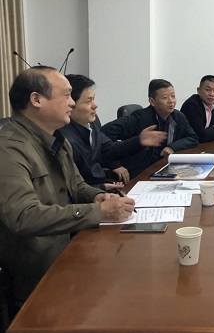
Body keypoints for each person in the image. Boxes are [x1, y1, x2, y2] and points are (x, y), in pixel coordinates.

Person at [0, 66, 134, 307]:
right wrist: (97, 212)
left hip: (71, 249)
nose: (72, 102)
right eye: (66, 95)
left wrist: (98, 197)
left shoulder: (57, 139)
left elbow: (78, 185)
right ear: (36, 100)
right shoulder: (9, 148)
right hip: (38, 272)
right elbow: (23, 216)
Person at [61, 74, 168, 190]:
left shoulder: (90, 126)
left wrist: (139, 141)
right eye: (88, 101)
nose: (95, 105)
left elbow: (110, 149)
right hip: (89, 195)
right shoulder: (64, 139)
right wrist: (101, 188)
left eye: (93, 99)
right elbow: (73, 186)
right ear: (70, 104)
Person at [101, 79, 199, 178]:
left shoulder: (178, 116)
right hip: (140, 172)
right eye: (165, 97)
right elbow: (103, 133)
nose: (171, 101)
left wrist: (172, 147)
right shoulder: (139, 118)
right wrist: (115, 165)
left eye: (173, 96)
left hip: (163, 167)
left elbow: (193, 137)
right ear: (152, 101)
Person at [180, 75, 214, 143]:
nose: (211, 94)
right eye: (207, 90)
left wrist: (206, 133)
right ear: (198, 90)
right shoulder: (191, 105)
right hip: (188, 145)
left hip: (205, 145)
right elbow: (198, 136)